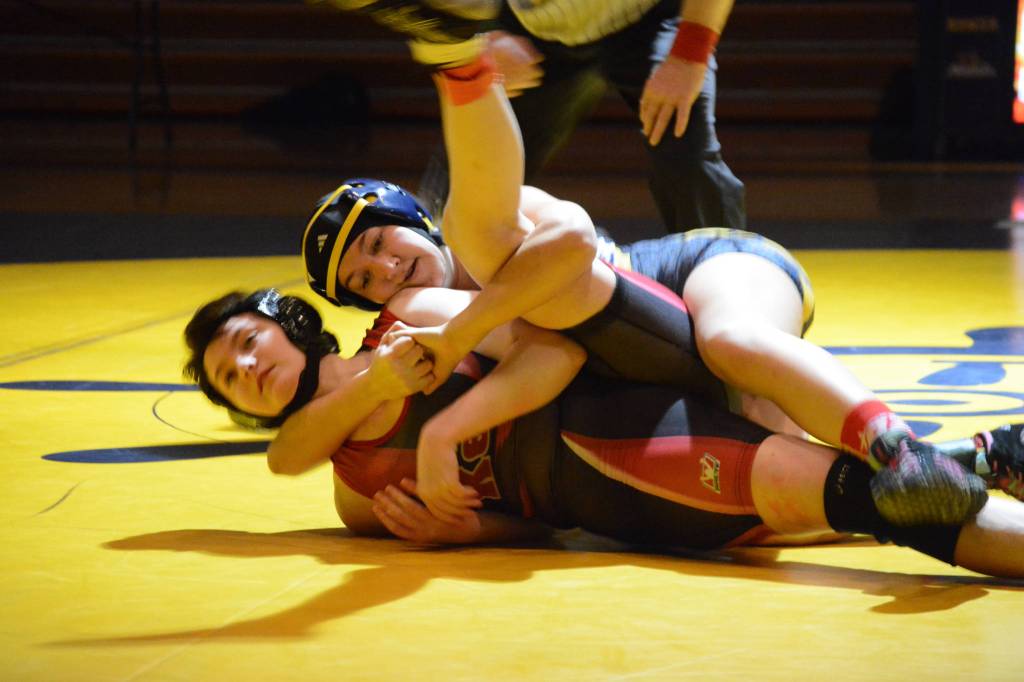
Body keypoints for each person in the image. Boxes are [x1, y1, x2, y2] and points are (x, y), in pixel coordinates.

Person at [296, 53, 1020, 522]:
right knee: (772, 511)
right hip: (657, 371)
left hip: (698, 274)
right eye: (363, 281)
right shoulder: (421, 329)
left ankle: (900, 448)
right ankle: (982, 457)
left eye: (377, 244)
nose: (384, 273)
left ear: (410, 217)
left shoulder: (485, 227)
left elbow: (572, 248)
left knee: (732, 340)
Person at [182, 288, 1024, 579]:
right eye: (229, 375)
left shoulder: (414, 321)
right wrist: (471, 531)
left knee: (877, 507)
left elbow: (550, 350)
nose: (247, 366)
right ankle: (977, 461)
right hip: (619, 509)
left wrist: (446, 423)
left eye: (247, 341)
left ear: (288, 322)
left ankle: (960, 470)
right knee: (861, 510)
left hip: (625, 427)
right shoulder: (356, 495)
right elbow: (544, 530)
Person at [311, 0, 744, 232]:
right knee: (470, 172)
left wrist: (690, 53)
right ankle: (439, 305)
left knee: (687, 157)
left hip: (652, 20)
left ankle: (736, 296)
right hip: (532, 34)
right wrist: (481, 40)